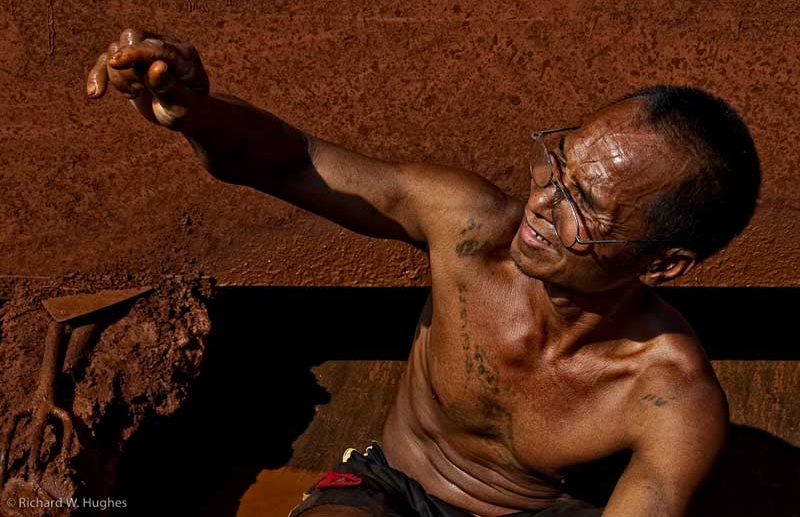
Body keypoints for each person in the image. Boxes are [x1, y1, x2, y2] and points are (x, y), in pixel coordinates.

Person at [87, 29, 760, 517]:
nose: (544, 200)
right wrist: (197, 113)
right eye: (558, 162)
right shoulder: (467, 228)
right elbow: (290, 163)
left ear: (664, 263)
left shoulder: (670, 397)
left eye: (584, 205)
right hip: (388, 490)